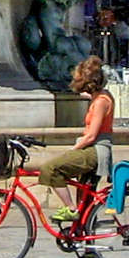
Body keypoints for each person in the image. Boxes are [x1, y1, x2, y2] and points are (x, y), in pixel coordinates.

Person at [39, 56, 114, 225]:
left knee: (50, 168)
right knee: (85, 201)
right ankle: (85, 238)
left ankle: (70, 208)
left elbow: (91, 136)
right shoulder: (100, 96)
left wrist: (73, 150)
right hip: (93, 149)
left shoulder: (101, 101)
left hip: (95, 151)